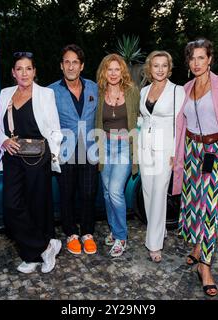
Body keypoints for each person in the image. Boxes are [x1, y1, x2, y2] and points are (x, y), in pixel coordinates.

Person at [171, 39, 218, 296]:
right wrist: (176, 155)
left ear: (210, 59)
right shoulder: (186, 88)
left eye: (202, 57)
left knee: (210, 207)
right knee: (192, 204)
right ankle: (197, 247)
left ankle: (205, 266)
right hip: (191, 151)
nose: (197, 63)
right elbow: (180, 125)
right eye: (192, 58)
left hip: (216, 151)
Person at [0, 52, 63, 274]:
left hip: (38, 157)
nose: (24, 73)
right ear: (13, 73)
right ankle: (45, 246)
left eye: (28, 68)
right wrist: (3, 141)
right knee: (11, 207)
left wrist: (52, 156)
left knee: (38, 206)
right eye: (19, 69)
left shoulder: (46, 94)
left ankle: (31, 256)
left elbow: (55, 130)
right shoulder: (6, 94)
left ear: (35, 71)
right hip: (13, 158)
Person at [48, 44, 99, 255]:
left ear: (82, 66)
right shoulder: (50, 91)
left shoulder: (94, 87)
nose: (71, 66)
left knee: (88, 193)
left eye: (75, 62)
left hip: (89, 150)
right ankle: (71, 233)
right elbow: (46, 123)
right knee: (67, 194)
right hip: (65, 152)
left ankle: (87, 233)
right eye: (67, 62)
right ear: (61, 66)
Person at [138, 51, 185, 263]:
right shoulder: (144, 90)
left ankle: (154, 244)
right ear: (150, 68)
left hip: (165, 148)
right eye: (156, 65)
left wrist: (177, 153)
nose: (160, 69)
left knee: (158, 193)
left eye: (164, 65)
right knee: (147, 192)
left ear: (169, 67)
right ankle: (159, 230)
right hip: (145, 146)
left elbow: (180, 124)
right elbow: (142, 119)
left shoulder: (177, 91)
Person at [95, 54, 140, 257]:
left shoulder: (132, 92)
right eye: (109, 69)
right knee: (106, 192)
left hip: (123, 147)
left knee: (115, 191)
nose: (113, 73)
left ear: (123, 71)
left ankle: (121, 236)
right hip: (104, 146)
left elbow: (141, 117)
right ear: (104, 72)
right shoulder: (99, 92)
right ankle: (114, 230)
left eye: (117, 69)